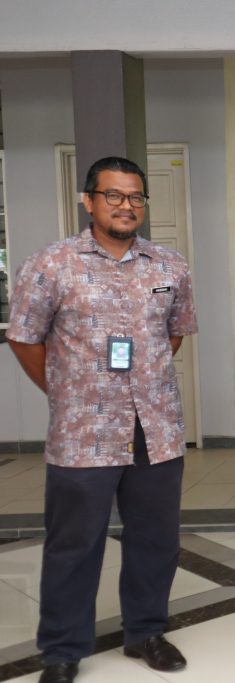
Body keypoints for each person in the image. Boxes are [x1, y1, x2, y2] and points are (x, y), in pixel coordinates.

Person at [6, 157, 198, 683]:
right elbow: (23, 338)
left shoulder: (170, 266)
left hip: (155, 428)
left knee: (156, 539)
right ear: (88, 201)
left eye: (135, 197)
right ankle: (62, 650)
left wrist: (140, 382)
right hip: (82, 433)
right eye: (113, 195)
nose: (125, 205)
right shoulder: (51, 264)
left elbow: (174, 334)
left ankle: (146, 632)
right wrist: (66, 390)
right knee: (74, 544)